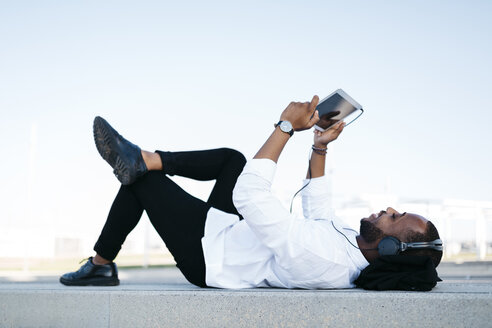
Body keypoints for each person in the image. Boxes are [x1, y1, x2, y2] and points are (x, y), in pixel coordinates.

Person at [60, 96, 443, 288]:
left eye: (395, 218)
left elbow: (250, 197)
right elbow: (319, 208)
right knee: (232, 159)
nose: (389, 209)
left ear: (391, 249)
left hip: (211, 256)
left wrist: (285, 128)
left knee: (141, 182)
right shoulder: (352, 245)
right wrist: (320, 146)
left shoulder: (325, 260)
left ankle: (101, 262)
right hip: (229, 233)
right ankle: (142, 162)